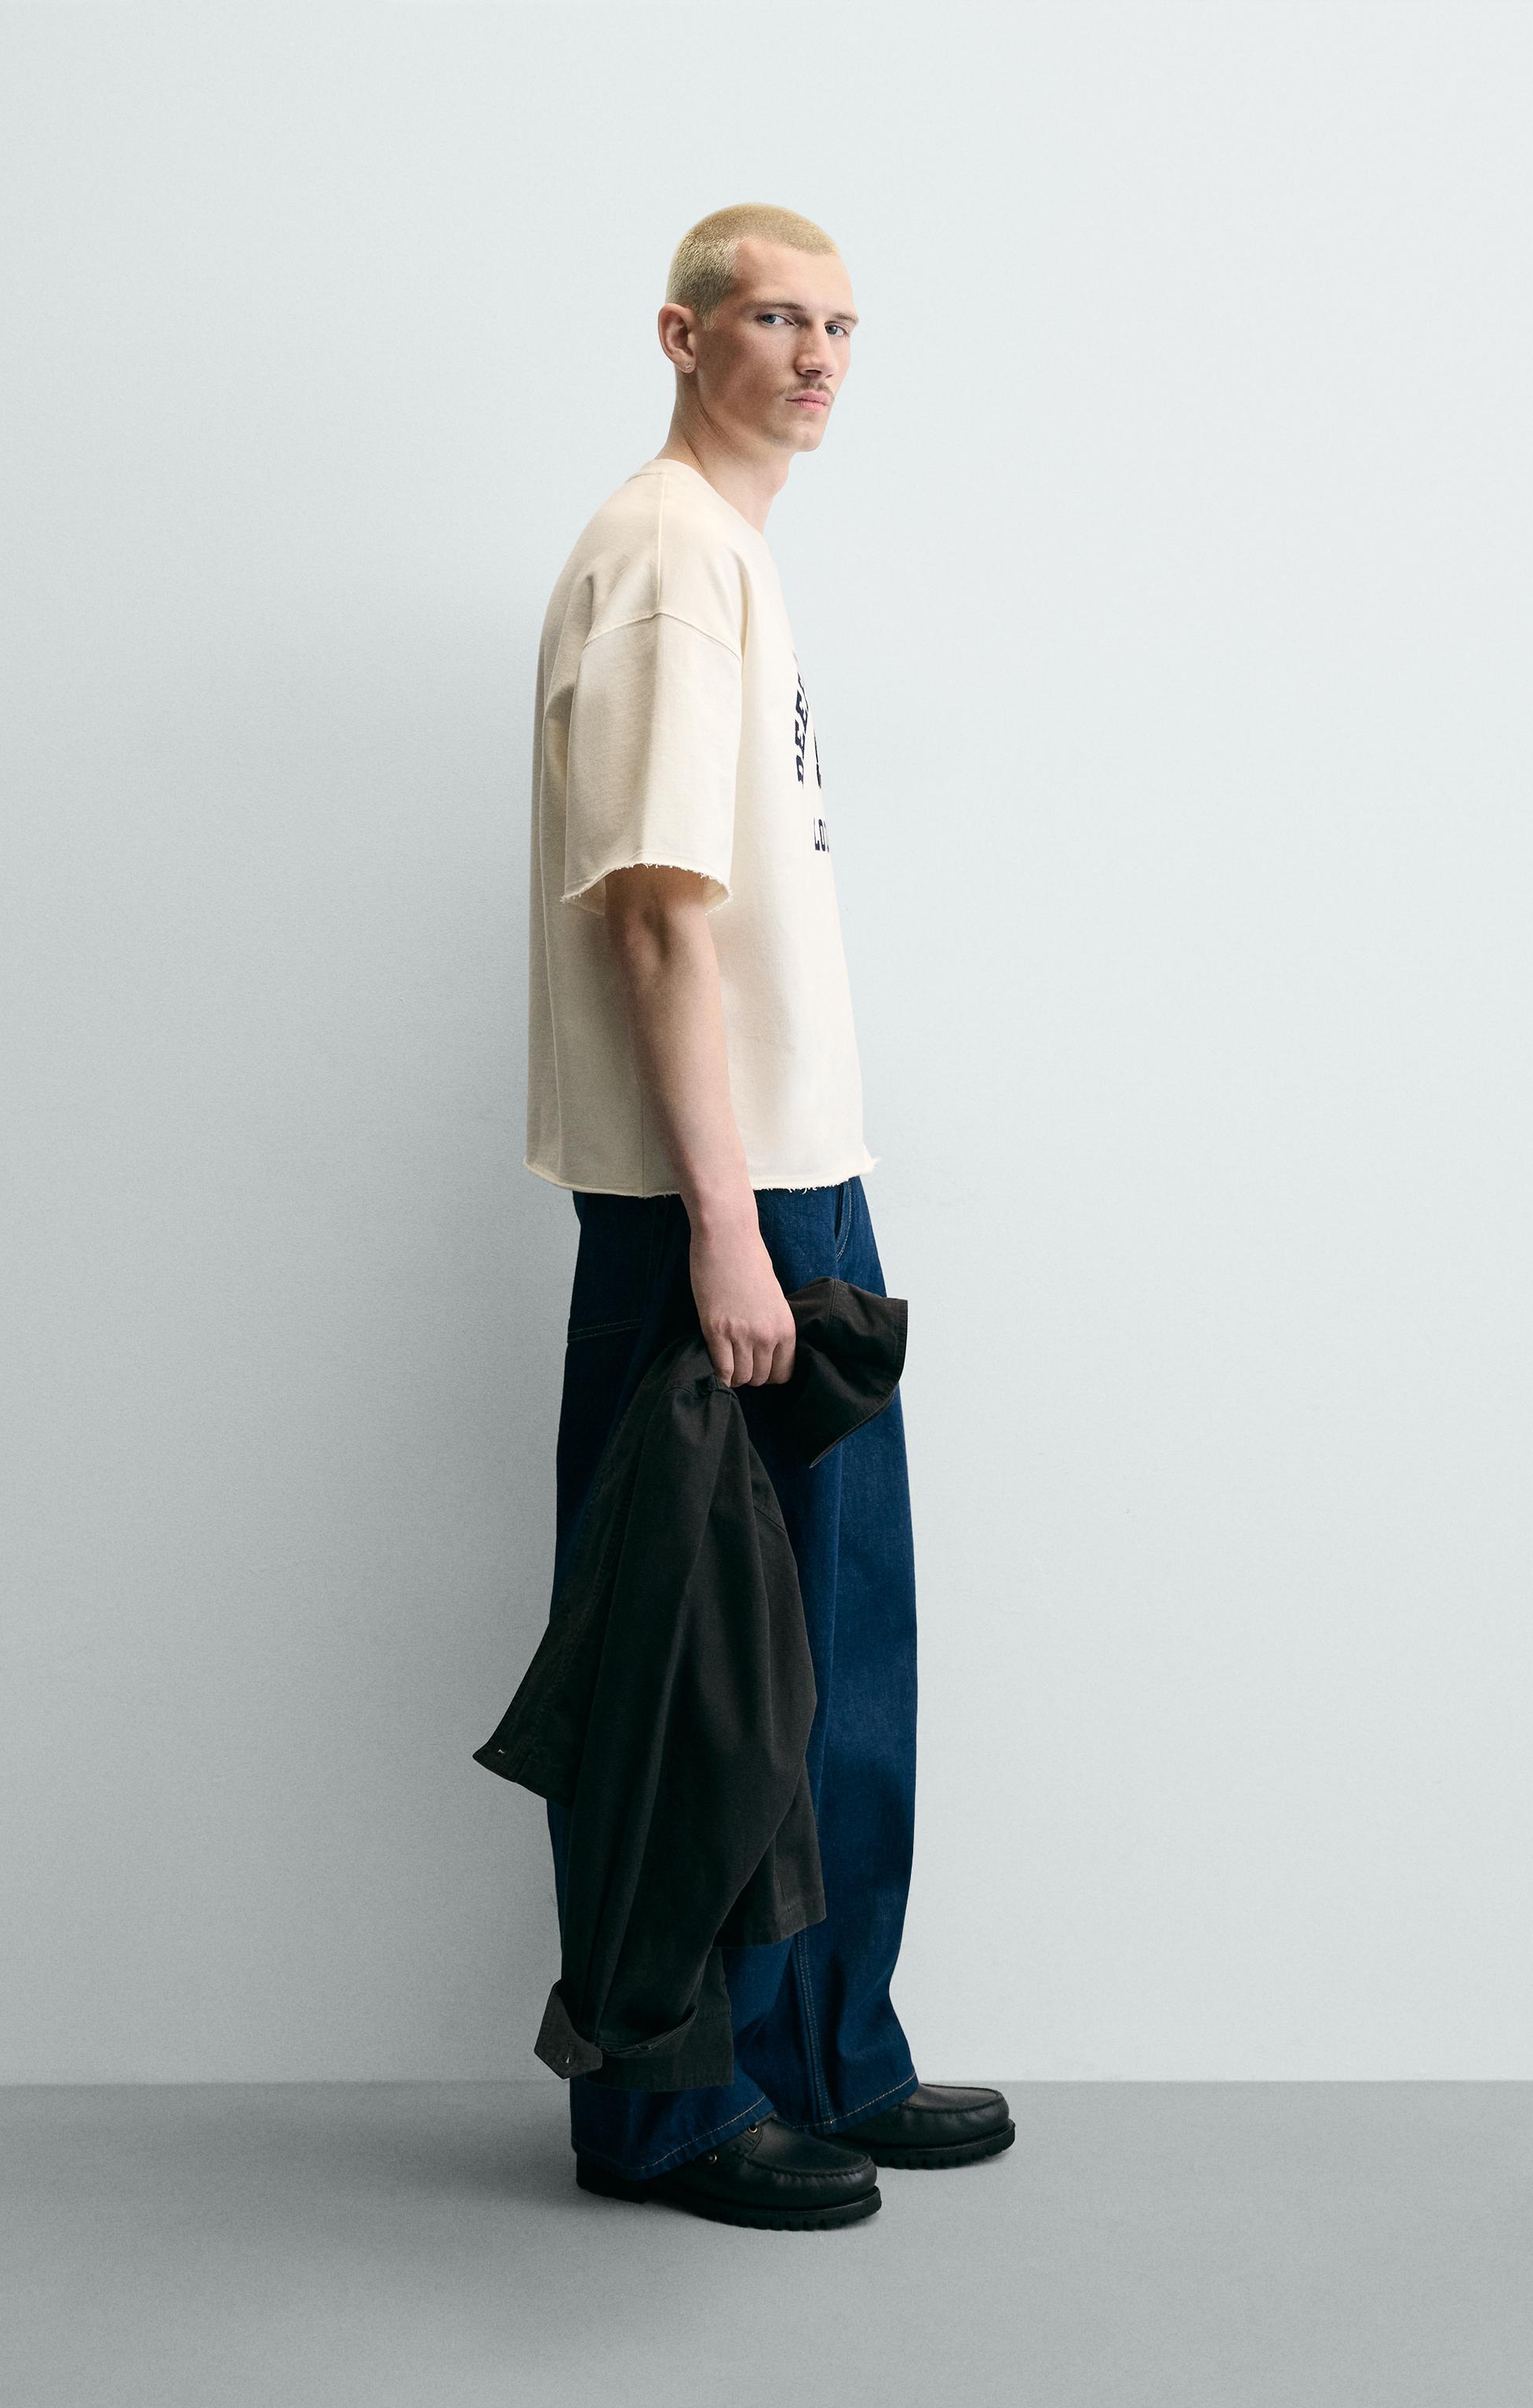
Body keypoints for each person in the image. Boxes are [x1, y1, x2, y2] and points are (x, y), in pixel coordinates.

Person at [523, 201, 1012, 2231]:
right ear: (681, 334)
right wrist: (728, 1233)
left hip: (803, 1182)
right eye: (777, 321)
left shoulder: (735, 558)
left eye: (843, 327)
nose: (818, 359)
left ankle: (823, 2055)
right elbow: (657, 917)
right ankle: (666, 2111)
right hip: (708, 1208)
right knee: (694, 1676)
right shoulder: (665, 558)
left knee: (834, 1653)